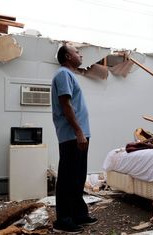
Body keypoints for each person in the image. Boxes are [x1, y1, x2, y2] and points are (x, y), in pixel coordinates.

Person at [51, 44, 97, 233]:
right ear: (68, 57)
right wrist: (78, 131)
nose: (80, 55)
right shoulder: (63, 74)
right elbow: (65, 104)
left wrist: (82, 132)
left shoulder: (69, 75)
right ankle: (63, 219)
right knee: (68, 178)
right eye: (77, 52)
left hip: (79, 134)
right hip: (72, 135)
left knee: (78, 177)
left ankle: (78, 214)